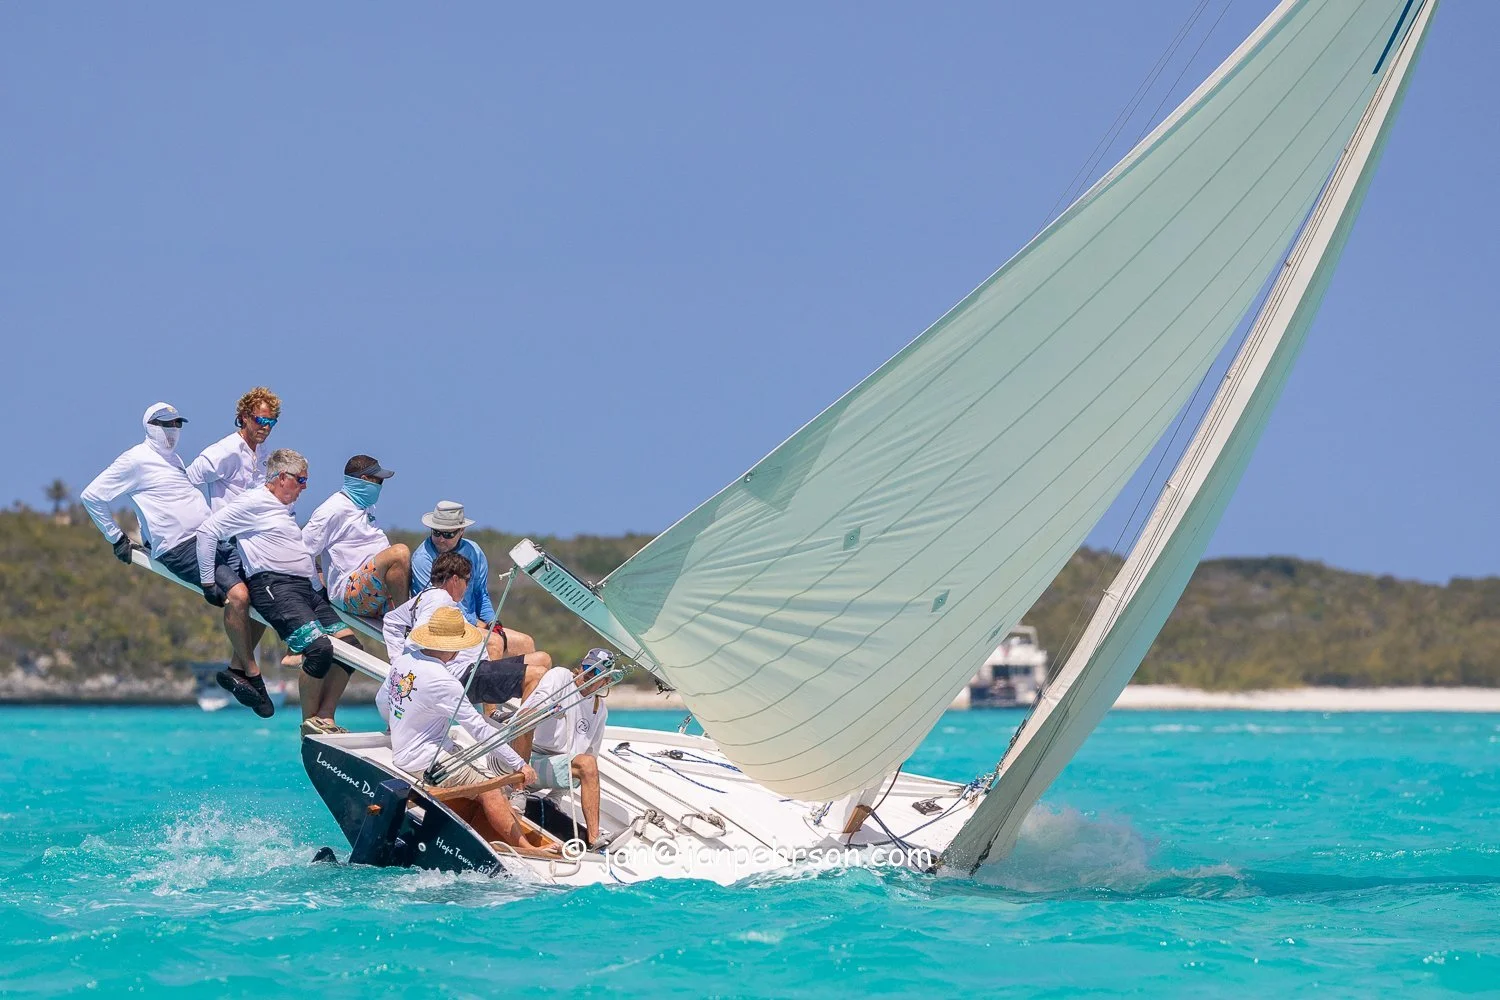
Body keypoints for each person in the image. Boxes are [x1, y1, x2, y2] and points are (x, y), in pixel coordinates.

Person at [80, 402, 261, 699]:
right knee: (238, 594)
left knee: (261, 580)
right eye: (166, 425)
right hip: (180, 547)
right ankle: (250, 672)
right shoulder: (135, 460)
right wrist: (116, 537)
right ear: (150, 426)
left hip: (208, 538)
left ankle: (237, 669)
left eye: (177, 424)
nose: (172, 431)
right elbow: (92, 496)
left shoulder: (174, 458)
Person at [195, 448, 362, 727]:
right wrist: (208, 581)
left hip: (306, 591)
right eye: (302, 480)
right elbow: (207, 532)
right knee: (320, 649)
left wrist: (317, 584)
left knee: (352, 649)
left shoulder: (284, 510)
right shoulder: (254, 502)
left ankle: (326, 716)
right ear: (282, 477)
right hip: (274, 587)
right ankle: (310, 724)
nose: (304, 488)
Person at [375, 607, 554, 855]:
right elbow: (479, 729)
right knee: (491, 786)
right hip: (424, 759)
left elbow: (382, 701)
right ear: (453, 646)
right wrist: (519, 764)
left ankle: (488, 831)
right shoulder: (442, 681)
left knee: (491, 784)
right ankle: (525, 848)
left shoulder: (404, 660)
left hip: (408, 749)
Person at [185, 387, 281, 685]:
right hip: (227, 541)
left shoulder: (263, 455)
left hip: (254, 541)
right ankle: (246, 670)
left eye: (271, 422)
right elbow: (188, 480)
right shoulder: (225, 451)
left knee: (268, 598)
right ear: (243, 418)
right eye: (259, 420)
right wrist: (203, 520)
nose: (264, 428)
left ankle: (237, 668)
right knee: (244, 597)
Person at [382, 550, 553, 708]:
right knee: (538, 672)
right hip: (467, 676)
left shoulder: (425, 596)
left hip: (478, 669)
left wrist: (396, 659)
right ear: (456, 580)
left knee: (542, 659)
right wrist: (403, 667)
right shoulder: (440, 599)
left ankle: (521, 721)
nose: (468, 586)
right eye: (467, 580)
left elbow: (391, 621)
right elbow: (416, 639)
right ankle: (505, 721)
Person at [511, 648, 618, 848]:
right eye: (588, 668)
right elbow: (524, 717)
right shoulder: (560, 677)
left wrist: (557, 793)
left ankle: (594, 838)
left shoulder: (599, 709)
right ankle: (518, 793)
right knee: (529, 719)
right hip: (515, 758)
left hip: (545, 769)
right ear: (581, 666)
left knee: (588, 764)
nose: (590, 675)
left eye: (597, 673)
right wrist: (545, 712)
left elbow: (588, 755)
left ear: (606, 681)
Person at [410, 500, 536, 655]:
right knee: (494, 642)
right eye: (436, 532)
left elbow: (480, 594)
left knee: (526, 643)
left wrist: (493, 622)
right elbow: (440, 606)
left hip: (473, 624)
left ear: (461, 531)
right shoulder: (422, 559)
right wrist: (479, 625)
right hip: (441, 626)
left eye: (448, 534)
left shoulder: (474, 551)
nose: (441, 539)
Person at [301, 456, 410, 620]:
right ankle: (404, 621)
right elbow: (302, 551)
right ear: (364, 480)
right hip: (350, 592)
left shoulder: (366, 505)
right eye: (379, 481)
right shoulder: (333, 509)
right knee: (400, 552)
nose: (381, 487)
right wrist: (318, 589)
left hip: (375, 589)